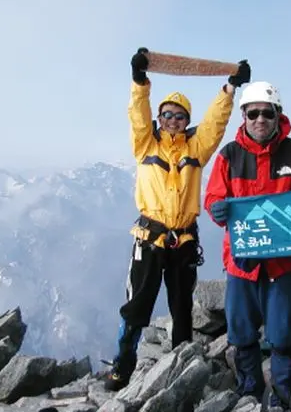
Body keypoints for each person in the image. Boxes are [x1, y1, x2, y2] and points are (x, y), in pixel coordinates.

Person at [104, 47, 251, 391]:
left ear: (187, 120)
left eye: (179, 116)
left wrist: (230, 88)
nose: (173, 121)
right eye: (167, 115)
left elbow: (215, 122)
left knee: (182, 306)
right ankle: (122, 367)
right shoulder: (145, 145)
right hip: (150, 239)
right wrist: (139, 81)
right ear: (160, 118)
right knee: (137, 305)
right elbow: (137, 116)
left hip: (184, 240)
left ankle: (182, 362)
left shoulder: (195, 149)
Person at [204, 81, 291, 410]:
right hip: (242, 262)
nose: (260, 119)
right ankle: (250, 392)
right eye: (253, 112)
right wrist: (218, 209)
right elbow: (214, 196)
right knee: (242, 332)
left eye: (267, 113)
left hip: (282, 263)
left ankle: (283, 393)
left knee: (283, 333)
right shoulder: (229, 155)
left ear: (277, 115)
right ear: (243, 115)